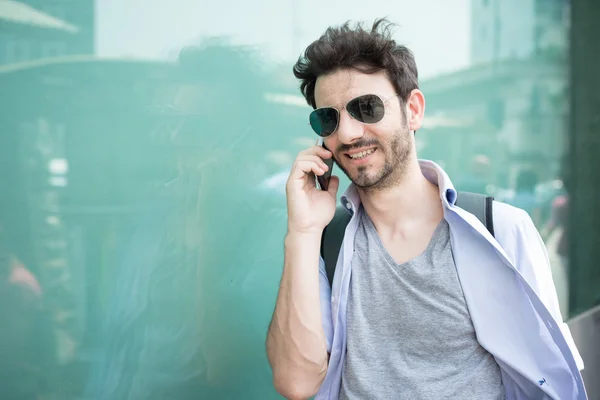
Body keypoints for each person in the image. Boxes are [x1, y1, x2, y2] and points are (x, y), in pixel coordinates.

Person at [265, 18, 586, 400]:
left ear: (413, 110)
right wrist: (301, 233)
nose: (348, 133)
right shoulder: (325, 242)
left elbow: (549, 379)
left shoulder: (500, 230)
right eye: (328, 118)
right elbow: (295, 383)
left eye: (366, 108)